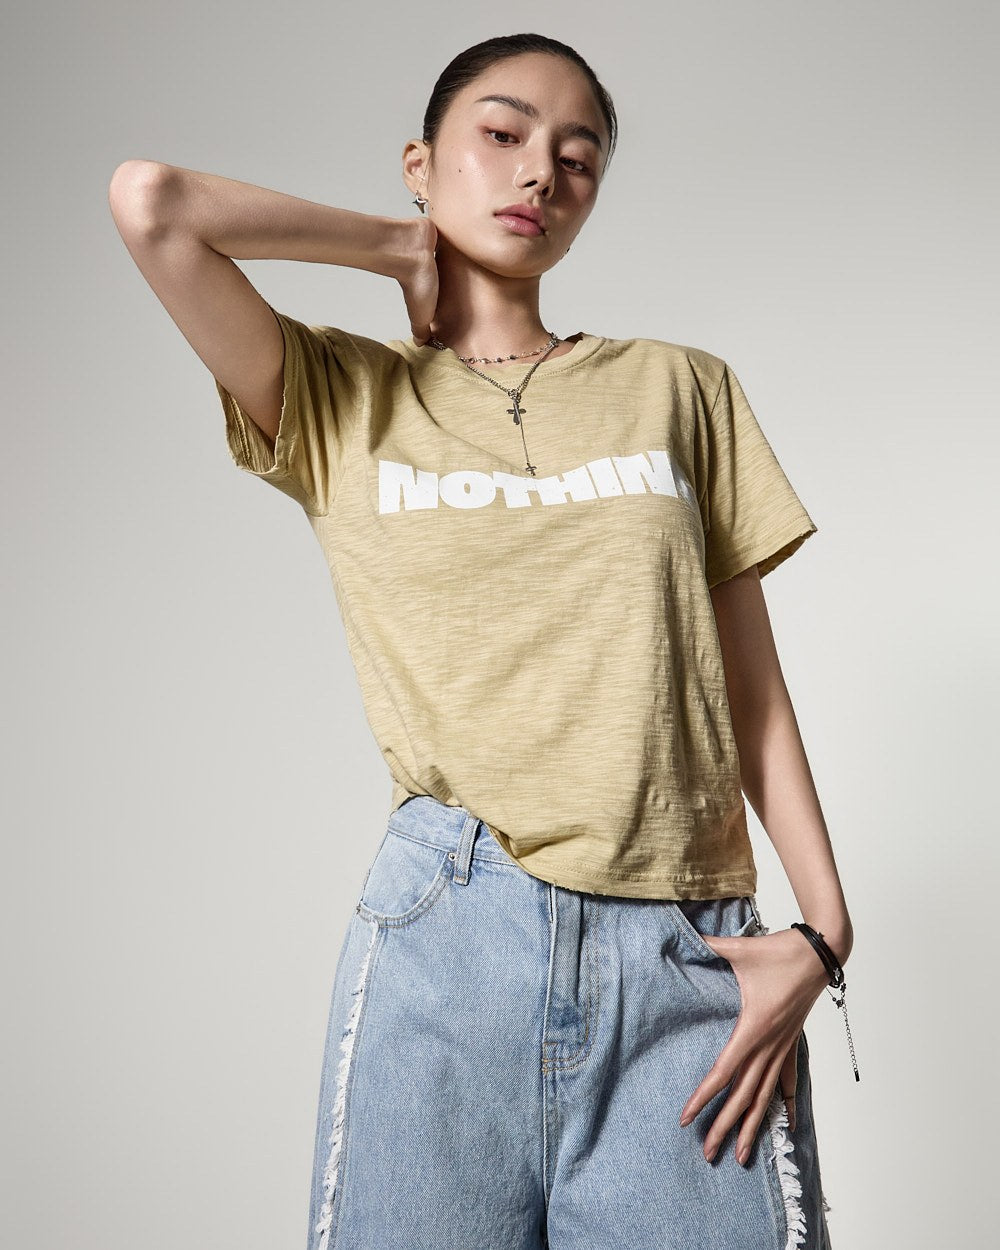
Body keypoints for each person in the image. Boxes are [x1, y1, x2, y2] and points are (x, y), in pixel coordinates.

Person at [108, 31, 854, 1250]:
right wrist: (392, 248)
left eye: (578, 157)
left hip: (681, 949)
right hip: (450, 937)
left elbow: (748, 685)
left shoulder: (679, 386)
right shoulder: (335, 394)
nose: (540, 172)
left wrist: (822, 931)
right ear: (420, 164)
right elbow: (153, 203)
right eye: (502, 135)